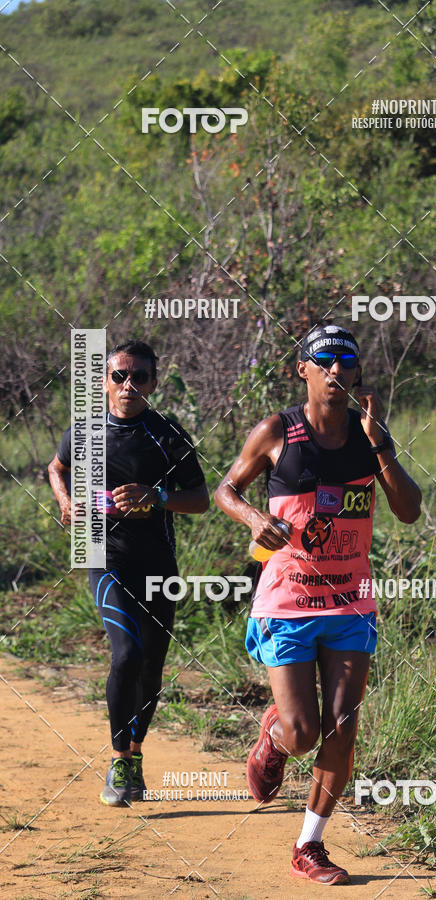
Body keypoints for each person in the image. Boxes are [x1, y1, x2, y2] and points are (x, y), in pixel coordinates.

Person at [214, 322, 421, 884]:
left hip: (351, 603)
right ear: (301, 369)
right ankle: (275, 736)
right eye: (323, 361)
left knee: (344, 725)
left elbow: (408, 509)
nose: (336, 371)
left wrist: (380, 445)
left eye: (346, 362)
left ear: (356, 373)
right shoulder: (278, 431)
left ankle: (310, 845)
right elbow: (225, 490)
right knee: (304, 733)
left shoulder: (367, 433)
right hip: (287, 600)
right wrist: (257, 518)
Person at [48, 340, 209, 806]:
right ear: (105, 382)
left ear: (154, 384)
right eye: (120, 375)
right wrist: (65, 502)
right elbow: (56, 468)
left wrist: (156, 498)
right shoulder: (84, 431)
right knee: (127, 654)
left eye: (140, 377)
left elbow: (199, 499)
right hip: (104, 554)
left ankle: (135, 756)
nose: (128, 385)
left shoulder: (167, 435)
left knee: (151, 667)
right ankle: (118, 760)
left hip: (158, 563)